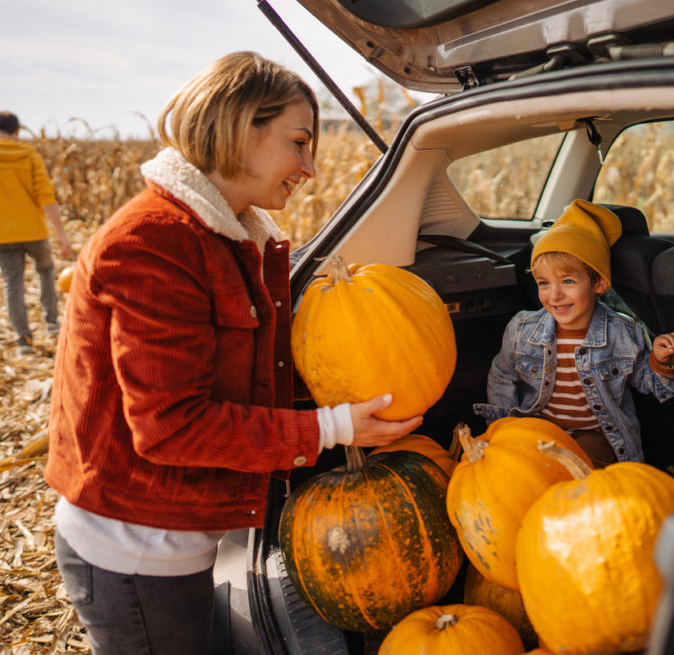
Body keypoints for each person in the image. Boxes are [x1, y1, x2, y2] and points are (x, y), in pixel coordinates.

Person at [44, 52, 423, 655]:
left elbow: (247, 376)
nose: (311, 168)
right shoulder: (154, 243)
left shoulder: (233, 236)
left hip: (179, 537)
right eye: (299, 142)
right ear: (241, 126)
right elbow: (171, 427)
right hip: (135, 549)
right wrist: (333, 426)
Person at [474, 199, 674, 468]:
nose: (555, 295)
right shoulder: (522, 329)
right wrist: (502, 428)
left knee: (575, 471)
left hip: (595, 433)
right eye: (544, 283)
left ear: (599, 283)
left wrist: (661, 361)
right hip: (539, 427)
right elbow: (503, 375)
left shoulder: (622, 331)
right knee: (510, 471)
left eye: (568, 282)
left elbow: (646, 381)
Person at [0, 110, 72, 356]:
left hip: (3, 235)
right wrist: (61, 235)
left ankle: (23, 342)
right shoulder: (29, 155)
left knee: (12, 285)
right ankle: (52, 322)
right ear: (17, 131)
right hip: (34, 229)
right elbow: (46, 195)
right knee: (46, 272)